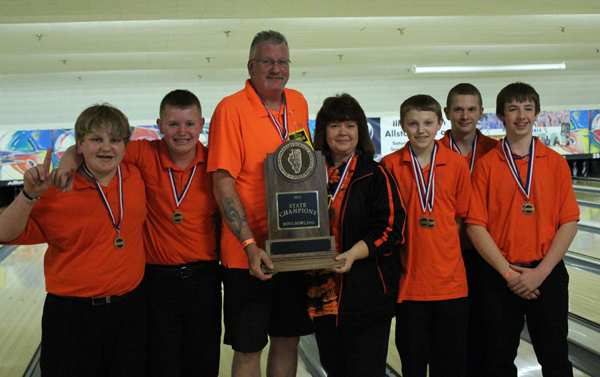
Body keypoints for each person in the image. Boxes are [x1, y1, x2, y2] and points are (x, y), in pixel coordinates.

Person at [55, 90, 221, 377]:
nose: (182, 132)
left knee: (203, 367)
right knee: (160, 367)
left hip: (204, 281)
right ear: (159, 125)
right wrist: (67, 160)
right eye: (173, 124)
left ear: (202, 124)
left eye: (190, 124)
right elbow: (95, 146)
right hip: (156, 283)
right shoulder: (144, 152)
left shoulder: (215, 162)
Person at [0, 104, 147, 377]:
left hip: (130, 312)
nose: (106, 147)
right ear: (79, 144)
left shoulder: (135, 175)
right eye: (96, 139)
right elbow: (4, 233)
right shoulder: (56, 190)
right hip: (71, 317)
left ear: (125, 145)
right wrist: (29, 195)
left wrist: (68, 157)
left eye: (114, 140)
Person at [207, 30, 314, 377]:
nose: (276, 68)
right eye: (267, 61)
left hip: (293, 250)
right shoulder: (230, 108)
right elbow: (223, 183)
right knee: (249, 347)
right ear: (251, 65)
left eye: (282, 61)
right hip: (246, 256)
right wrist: (250, 245)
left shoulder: (298, 102)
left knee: (288, 340)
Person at [466, 82, 579, 377]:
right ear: (501, 116)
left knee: (556, 359)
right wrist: (508, 274)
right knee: (497, 362)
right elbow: (475, 226)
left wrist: (541, 273)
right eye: (513, 108)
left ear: (537, 114)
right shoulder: (486, 165)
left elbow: (569, 221)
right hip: (499, 278)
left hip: (548, 275)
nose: (521, 115)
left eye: (527, 108)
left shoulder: (555, 163)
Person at [307, 93, 405, 377]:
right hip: (322, 294)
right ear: (324, 131)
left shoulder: (375, 175)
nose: (343, 133)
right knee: (334, 369)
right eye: (335, 125)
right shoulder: (310, 175)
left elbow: (390, 229)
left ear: (360, 130)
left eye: (350, 125)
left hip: (366, 296)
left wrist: (351, 254)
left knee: (365, 371)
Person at [380, 94, 471, 377]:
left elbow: (460, 219)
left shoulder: (456, 165)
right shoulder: (390, 165)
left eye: (428, 123)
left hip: (451, 284)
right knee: (413, 366)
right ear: (403, 126)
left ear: (439, 124)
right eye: (413, 123)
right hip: (409, 284)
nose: (421, 130)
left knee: (451, 366)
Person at [441, 83, 497, 376]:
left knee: (485, 331)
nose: (465, 115)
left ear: (481, 113)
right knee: (452, 336)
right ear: (447, 112)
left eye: (471, 109)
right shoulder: (432, 150)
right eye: (458, 109)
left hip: (486, 258)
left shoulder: (495, 151)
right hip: (447, 258)